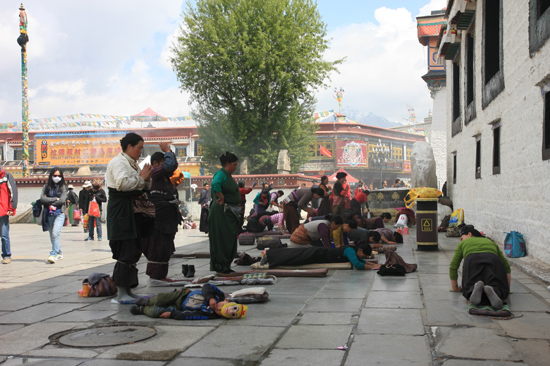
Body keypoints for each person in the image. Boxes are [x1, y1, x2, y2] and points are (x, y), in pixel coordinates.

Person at [106, 132, 152, 303]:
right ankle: (121, 293)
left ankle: (129, 290)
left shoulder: (133, 164)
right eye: (139, 147)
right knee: (125, 249)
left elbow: (143, 184)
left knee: (133, 249)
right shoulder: (119, 162)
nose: (141, 151)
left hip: (132, 210)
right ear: (129, 146)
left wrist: (146, 177)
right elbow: (123, 184)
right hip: (122, 210)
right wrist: (142, 178)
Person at [141, 143, 182, 280]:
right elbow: (170, 165)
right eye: (163, 163)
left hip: (168, 217)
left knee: (166, 246)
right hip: (159, 217)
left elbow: (172, 166)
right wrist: (167, 151)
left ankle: (161, 274)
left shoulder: (166, 179)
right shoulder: (154, 172)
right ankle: (156, 274)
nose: (167, 167)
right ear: (155, 163)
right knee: (158, 245)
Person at [449, 225, 511, 309]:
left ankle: (473, 290)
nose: (461, 240)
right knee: (497, 284)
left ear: (470, 234)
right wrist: (506, 288)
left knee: (469, 285)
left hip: (472, 260)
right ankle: (495, 292)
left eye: (462, 238)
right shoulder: (490, 242)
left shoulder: (463, 244)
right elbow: (506, 266)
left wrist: (455, 287)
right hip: (493, 259)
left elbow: (453, 266)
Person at [130, 283, 247, 320]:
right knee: (160, 299)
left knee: (156, 312)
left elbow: (191, 316)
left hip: (179, 307)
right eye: (220, 305)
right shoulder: (219, 296)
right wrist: (210, 297)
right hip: (182, 295)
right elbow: (207, 286)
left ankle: (142, 309)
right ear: (226, 300)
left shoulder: (209, 315)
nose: (216, 307)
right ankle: (146, 302)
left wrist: (172, 314)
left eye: (219, 311)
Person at [209, 151, 240, 274]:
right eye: (234, 164)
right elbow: (215, 184)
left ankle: (226, 265)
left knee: (229, 238)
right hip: (221, 212)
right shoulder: (221, 174)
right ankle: (221, 266)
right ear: (227, 163)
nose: (235, 167)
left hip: (228, 213)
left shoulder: (227, 175)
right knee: (222, 239)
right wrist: (220, 196)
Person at [259, 240, 381, 270]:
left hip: (320, 254)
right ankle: (269, 255)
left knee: (295, 256)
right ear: (360, 251)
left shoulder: (355, 250)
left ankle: (270, 255)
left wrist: (375, 265)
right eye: (364, 255)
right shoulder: (350, 251)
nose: (363, 257)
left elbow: (361, 261)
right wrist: (372, 267)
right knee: (295, 257)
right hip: (319, 254)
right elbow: (358, 265)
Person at [40, 168, 68, 263]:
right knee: (52, 234)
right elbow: (42, 199)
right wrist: (55, 199)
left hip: (59, 213)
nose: (57, 177)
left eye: (59, 176)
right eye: (55, 175)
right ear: (51, 176)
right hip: (49, 213)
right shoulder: (46, 187)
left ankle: (53, 253)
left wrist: (50, 201)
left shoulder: (63, 187)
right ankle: (59, 252)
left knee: (56, 233)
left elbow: (62, 200)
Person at [0, 167, 17, 264]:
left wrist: (11, 208)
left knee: (4, 234)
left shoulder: (6, 175)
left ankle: (6, 255)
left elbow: (13, 192)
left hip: (3, 210)